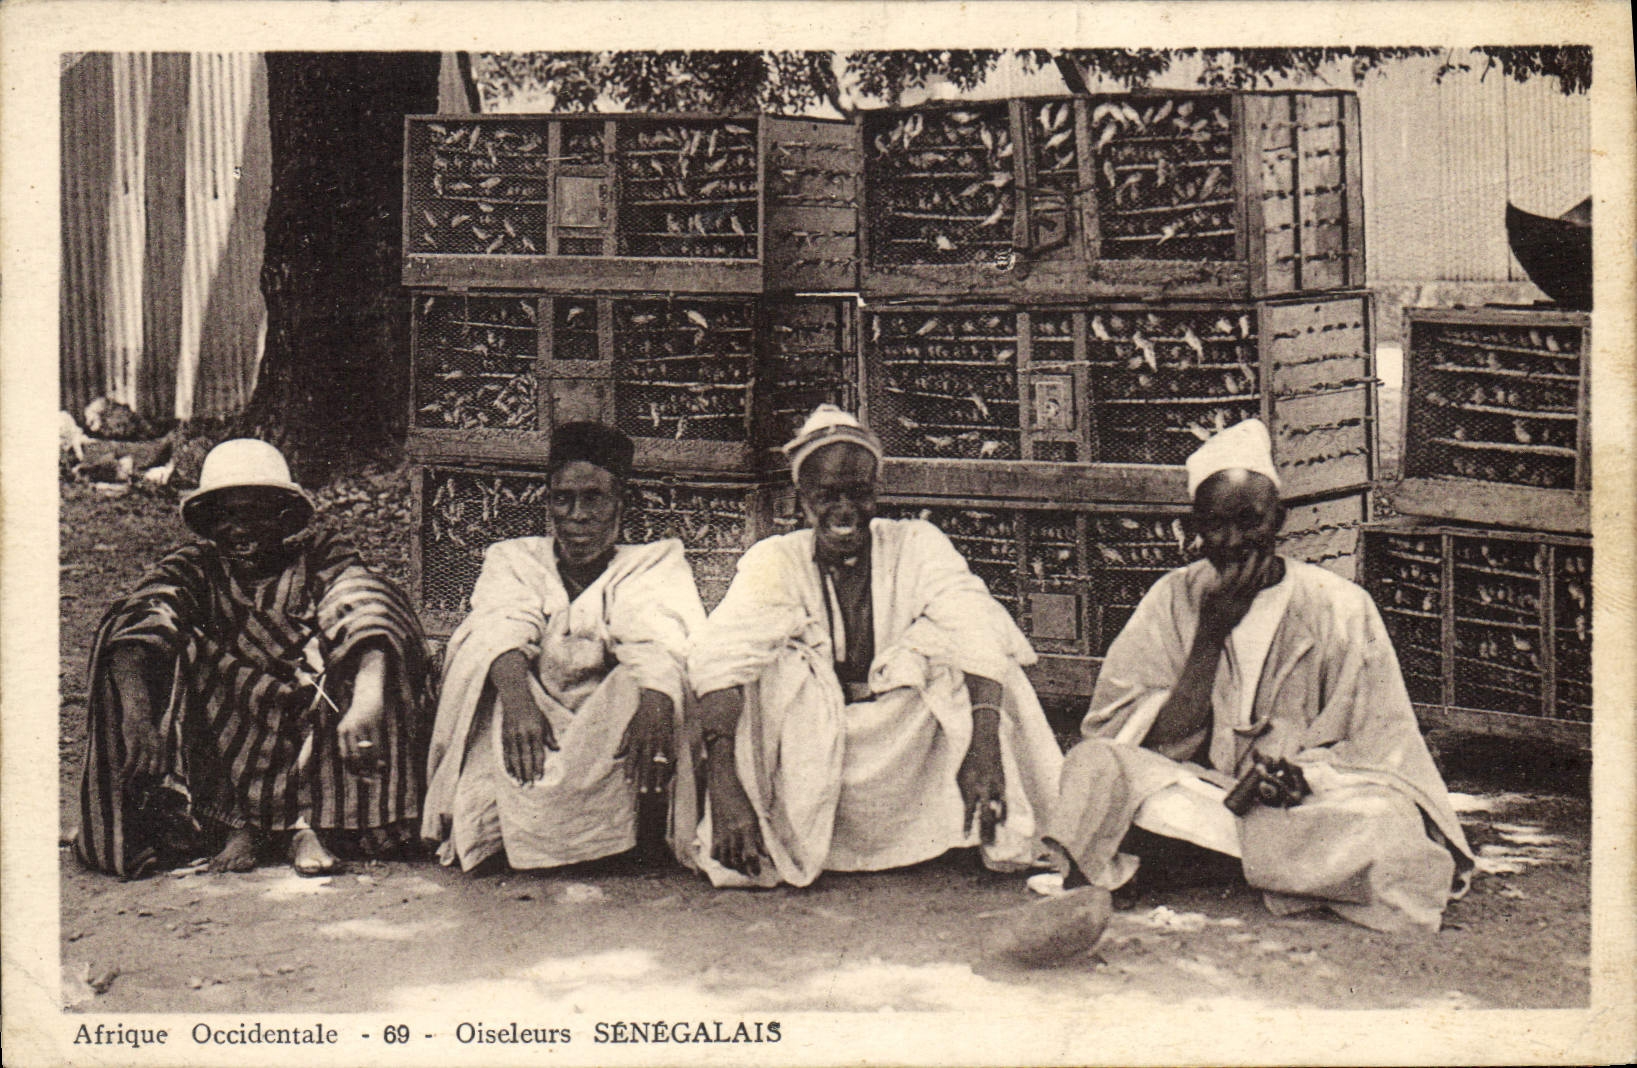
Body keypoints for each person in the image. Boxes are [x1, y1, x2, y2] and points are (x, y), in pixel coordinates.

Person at [1030, 419, 1474, 938]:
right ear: (1194, 527)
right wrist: (1210, 636)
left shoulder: (1340, 606)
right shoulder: (1172, 599)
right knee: (1093, 766)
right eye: (1216, 525)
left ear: (1279, 519)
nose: (1235, 540)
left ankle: (1205, 862)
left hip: (1303, 801)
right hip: (1199, 793)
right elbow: (1139, 739)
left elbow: (1382, 742)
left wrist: (1304, 776)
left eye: (1250, 521)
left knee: (1385, 820)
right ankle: (1265, 864)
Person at [685, 405, 1063, 888]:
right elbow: (718, 659)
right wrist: (724, 784)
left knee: (976, 659)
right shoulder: (774, 560)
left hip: (903, 733)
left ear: (876, 494)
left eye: (858, 493)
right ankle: (758, 831)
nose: (844, 509)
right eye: (827, 495)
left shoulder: (918, 544)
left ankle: (992, 820)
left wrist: (983, 745)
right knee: (759, 675)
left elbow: (978, 626)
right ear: (801, 499)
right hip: (811, 742)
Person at [74, 439, 434, 878]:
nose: (238, 527)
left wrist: (368, 699)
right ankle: (238, 825)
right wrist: (136, 713)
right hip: (228, 717)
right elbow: (143, 614)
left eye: (254, 513)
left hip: (313, 712)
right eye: (225, 515)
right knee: (161, 646)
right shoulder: (198, 566)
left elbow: (363, 601)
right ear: (208, 522)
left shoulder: (319, 555)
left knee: (372, 637)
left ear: (284, 517)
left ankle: (306, 826)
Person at [422, 422, 705, 872]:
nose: (577, 514)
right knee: (490, 656)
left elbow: (660, 638)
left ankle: (619, 834)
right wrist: (517, 702)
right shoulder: (514, 558)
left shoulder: (655, 562)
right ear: (548, 503)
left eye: (593, 498)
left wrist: (656, 702)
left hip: (607, 729)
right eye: (562, 499)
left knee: (654, 678)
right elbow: (500, 623)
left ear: (619, 503)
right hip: (529, 724)